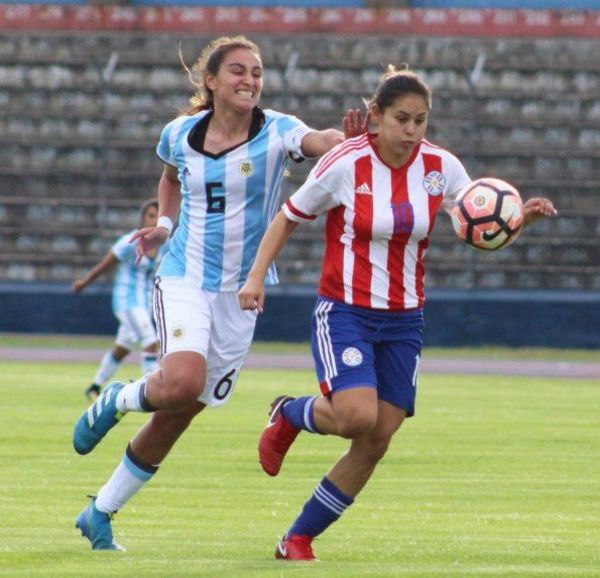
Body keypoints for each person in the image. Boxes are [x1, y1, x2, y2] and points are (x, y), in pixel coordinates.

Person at [238, 64, 557, 562]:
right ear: (377, 116)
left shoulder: (441, 167)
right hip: (345, 309)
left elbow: (475, 222)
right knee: (355, 416)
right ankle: (290, 413)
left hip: (405, 317)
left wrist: (522, 220)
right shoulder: (345, 162)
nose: (411, 131)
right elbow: (289, 216)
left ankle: (297, 538)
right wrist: (255, 277)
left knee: (377, 437)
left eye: (421, 121)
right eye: (402, 119)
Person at [71, 35, 366, 551]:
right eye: (237, 71)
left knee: (180, 412)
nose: (250, 79)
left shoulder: (277, 131)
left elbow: (317, 140)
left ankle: (100, 511)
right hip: (185, 274)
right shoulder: (180, 132)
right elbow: (169, 176)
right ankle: (117, 397)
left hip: (240, 293)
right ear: (210, 81)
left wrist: (346, 142)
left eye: (256, 71)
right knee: (181, 382)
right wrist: (165, 223)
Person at [72, 200, 166, 400]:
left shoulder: (163, 244)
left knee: (123, 347)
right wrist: (84, 282)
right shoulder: (129, 242)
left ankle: (94, 387)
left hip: (144, 301)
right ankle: (155, 391)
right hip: (126, 300)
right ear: (142, 218)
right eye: (151, 215)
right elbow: (104, 265)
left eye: (158, 215)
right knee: (150, 340)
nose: (155, 219)